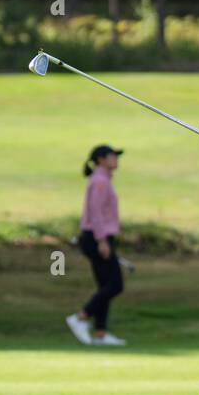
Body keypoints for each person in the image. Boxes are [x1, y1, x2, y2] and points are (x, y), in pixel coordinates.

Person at [66, 144, 127, 347]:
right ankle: (81, 317)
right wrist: (102, 240)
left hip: (97, 237)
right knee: (115, 284)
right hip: (97, 238)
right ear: (100, 160)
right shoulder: (100, 182)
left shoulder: (103, 180)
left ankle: (101, 333)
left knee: (105, 286)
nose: (115, 160)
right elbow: (96, 212)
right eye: (112, 156)